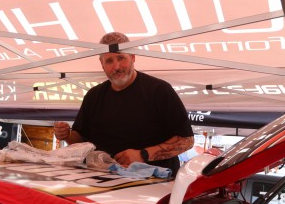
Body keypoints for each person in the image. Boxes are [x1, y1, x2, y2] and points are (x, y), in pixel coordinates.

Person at [54, 32, 194, 177]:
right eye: (109, 61)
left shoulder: (159, 90)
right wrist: (66, 135)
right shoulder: (93, 95)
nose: (117, 66)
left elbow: (187, 140)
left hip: (154, 183)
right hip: (102, 180)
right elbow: (80, 138)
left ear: (133, 57)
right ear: (102, 64)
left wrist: (143, 155)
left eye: (121, 58)